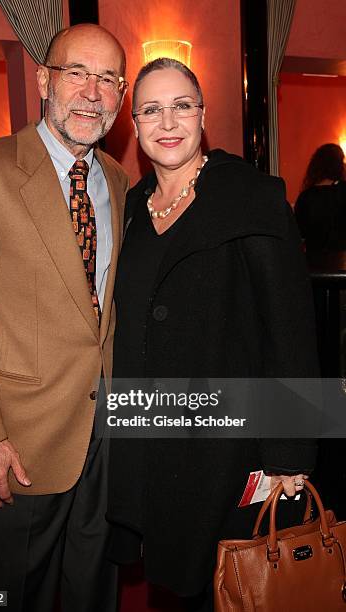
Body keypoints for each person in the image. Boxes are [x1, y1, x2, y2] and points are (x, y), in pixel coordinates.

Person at [106, 58, 319, 611]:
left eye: (182, 105)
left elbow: (292, 329)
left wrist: (289, 453)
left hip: (231, 446)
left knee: (232, 589)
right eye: (151, 109)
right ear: (135, 123)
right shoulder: (132, 207)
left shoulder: (250, 195)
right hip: (156, 440)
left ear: (203, 114)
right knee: (178, 586)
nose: (168, 121)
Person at [0, 24, 128, 612]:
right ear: (45, 79)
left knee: (95, 587)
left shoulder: (119, 181)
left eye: (107, 81)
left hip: (104, 433)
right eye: (78, 73)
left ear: (121, 98)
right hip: (20, 442)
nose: (91, 93)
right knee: (11, 592)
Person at [295, 143, 346, 252]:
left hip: (315, 264)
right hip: (342, 262)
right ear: (338, 166)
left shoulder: (306, 197)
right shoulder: (342, 191)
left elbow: (299, 235)